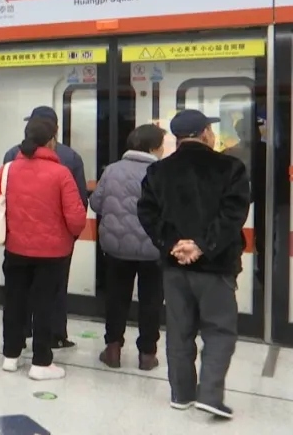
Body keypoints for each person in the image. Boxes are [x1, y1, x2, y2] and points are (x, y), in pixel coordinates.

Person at [137, 109, 250, 419]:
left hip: (174, 268)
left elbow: (147, 213)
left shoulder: (158, 171)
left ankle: (181, 393)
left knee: (179, 330)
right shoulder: (231, 168)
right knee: (219, 330)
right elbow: (233, 214)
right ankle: (210, 396)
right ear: (205, 133)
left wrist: (173, 244)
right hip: (216, 267)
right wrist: (202, 245)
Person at [0, 117, 87, 380]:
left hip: (16, 249)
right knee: (44, 305)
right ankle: (41, 362)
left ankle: (11, 355)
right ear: (52, 140)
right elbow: (76, 219)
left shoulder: (8, 170)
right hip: (52, 254)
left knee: (14, 301)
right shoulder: (61, 173)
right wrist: (66, 235)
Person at [3, 105, 87, 349]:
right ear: (55, 131)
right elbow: (80, 202)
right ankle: (54, 336)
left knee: (17, 290)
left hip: (17, 239)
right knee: (55, 290)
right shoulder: (70, 158)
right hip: (55, 242)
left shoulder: (12, 155)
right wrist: (70, 236)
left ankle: (18, 338)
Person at [90, 124, 166, 371]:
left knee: (116, 298)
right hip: (153, 249)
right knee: (151, 301)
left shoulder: (112, 170)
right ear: (153, 147)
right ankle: (147, 355)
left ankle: (113, 350)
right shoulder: (162, 172)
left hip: (117, 248)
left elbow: (96, 203)